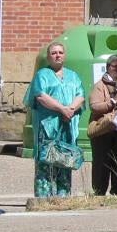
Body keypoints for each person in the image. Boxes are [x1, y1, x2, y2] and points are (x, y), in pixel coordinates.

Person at [26, 41, 85, 198]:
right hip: (47, 126)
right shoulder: (42, 75)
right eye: (54, 53)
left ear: (64, 55)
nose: (57, 55)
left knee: (65, 161)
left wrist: (70, 110)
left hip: (67, 127)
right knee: (46, 162)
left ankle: (63, 197)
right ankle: (43, 198)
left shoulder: (73, 76)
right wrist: (62, 109)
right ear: (48, 57)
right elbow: (40, 96)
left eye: (60, 52)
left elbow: (80, 95)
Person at [87, 54, 117, 196]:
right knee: (102, 162)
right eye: (115, 67)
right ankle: (99, 192)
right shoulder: (99, 86)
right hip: (104, 129)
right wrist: (114, 101)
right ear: (108, 67)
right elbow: (95, 107)